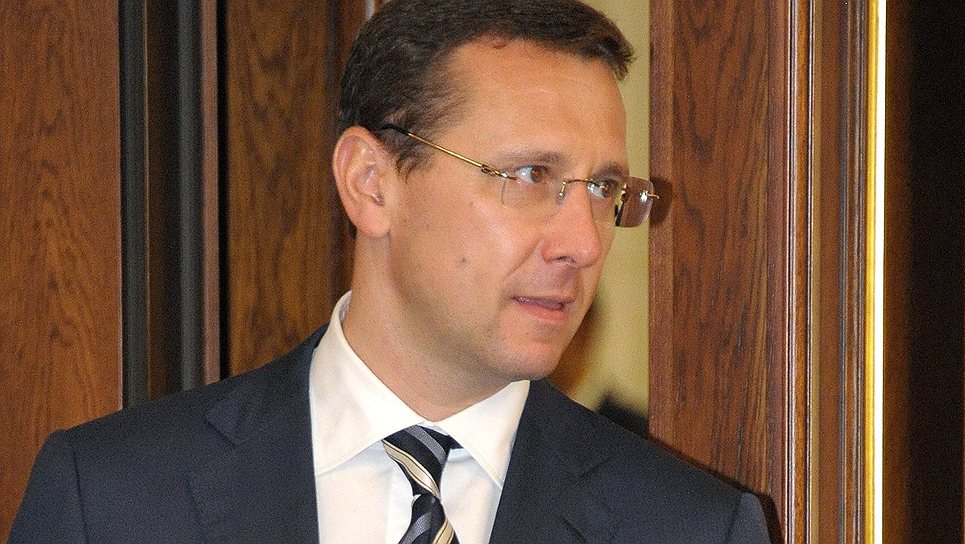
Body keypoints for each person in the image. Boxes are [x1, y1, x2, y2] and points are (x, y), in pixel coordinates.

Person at [11, 0, 771, 542]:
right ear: (371, 184)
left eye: (603, 189)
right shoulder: (110, 500)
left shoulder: (689, 527)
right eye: (530, 176)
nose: (583, 241)